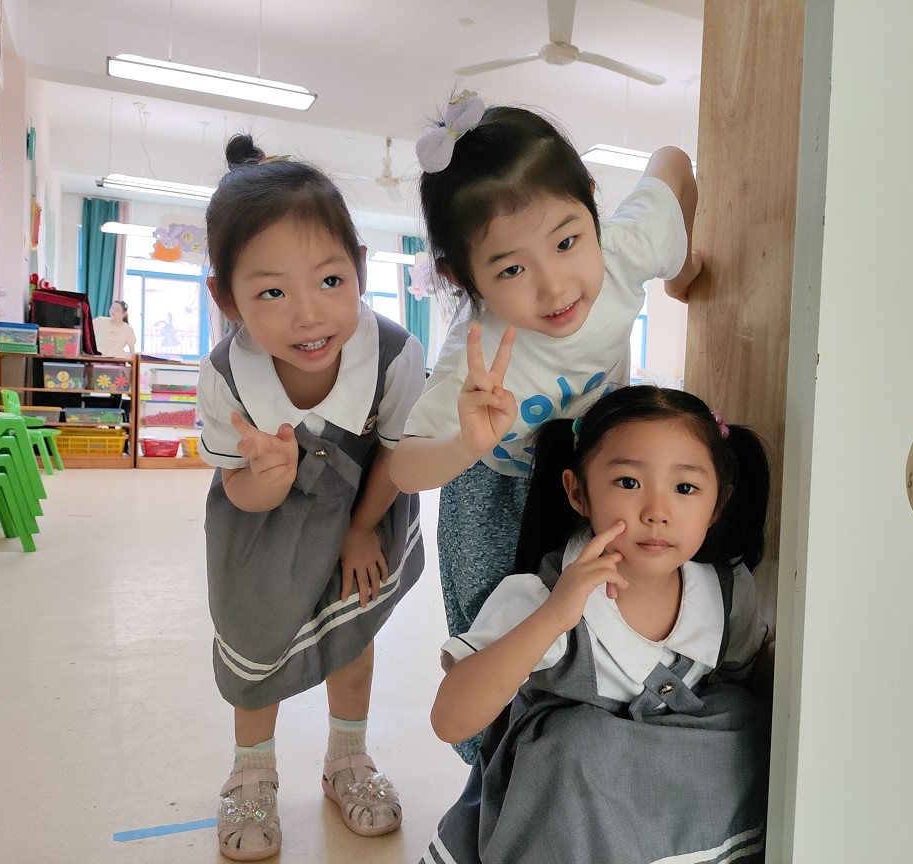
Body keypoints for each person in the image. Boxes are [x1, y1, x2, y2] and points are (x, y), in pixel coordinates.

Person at [389, 90, 703, 761]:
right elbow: (404, 468)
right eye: (511, 269)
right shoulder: (475, 356)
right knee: (497, 645)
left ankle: (585, 750)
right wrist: (465, 443)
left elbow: (673, 165)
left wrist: (685, 269)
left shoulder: (624, 250)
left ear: (592, 207)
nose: (555, 287)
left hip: (595, 471)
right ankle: (498, 768)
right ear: (463, 279)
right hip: (496, 486)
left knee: (605, 608)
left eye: (566, 241)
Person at [421, 385, 774, 864]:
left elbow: (749, 681)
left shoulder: (728, 591)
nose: (657, 512)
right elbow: (449, 721)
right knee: (579, 741)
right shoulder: (540, 594)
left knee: (742, 713)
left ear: (718, 504)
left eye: (685, 488)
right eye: (628, 482)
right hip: (569, 818)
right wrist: (553, 617)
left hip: (670, 802)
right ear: (578, 492)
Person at [197, 134, 426, 860]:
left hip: (364, 504)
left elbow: (397, 452)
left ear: (360, 267)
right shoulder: (226, 377)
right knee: (257, 643)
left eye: (330, 280)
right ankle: (252, 771)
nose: (308, 315)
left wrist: (362, 530)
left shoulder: (393, 352)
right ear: (226, 298)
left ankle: (346, 759)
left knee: (352, 635)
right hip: (261, 529)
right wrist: (264, 481)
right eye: (271, 292)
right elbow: (237, 489)